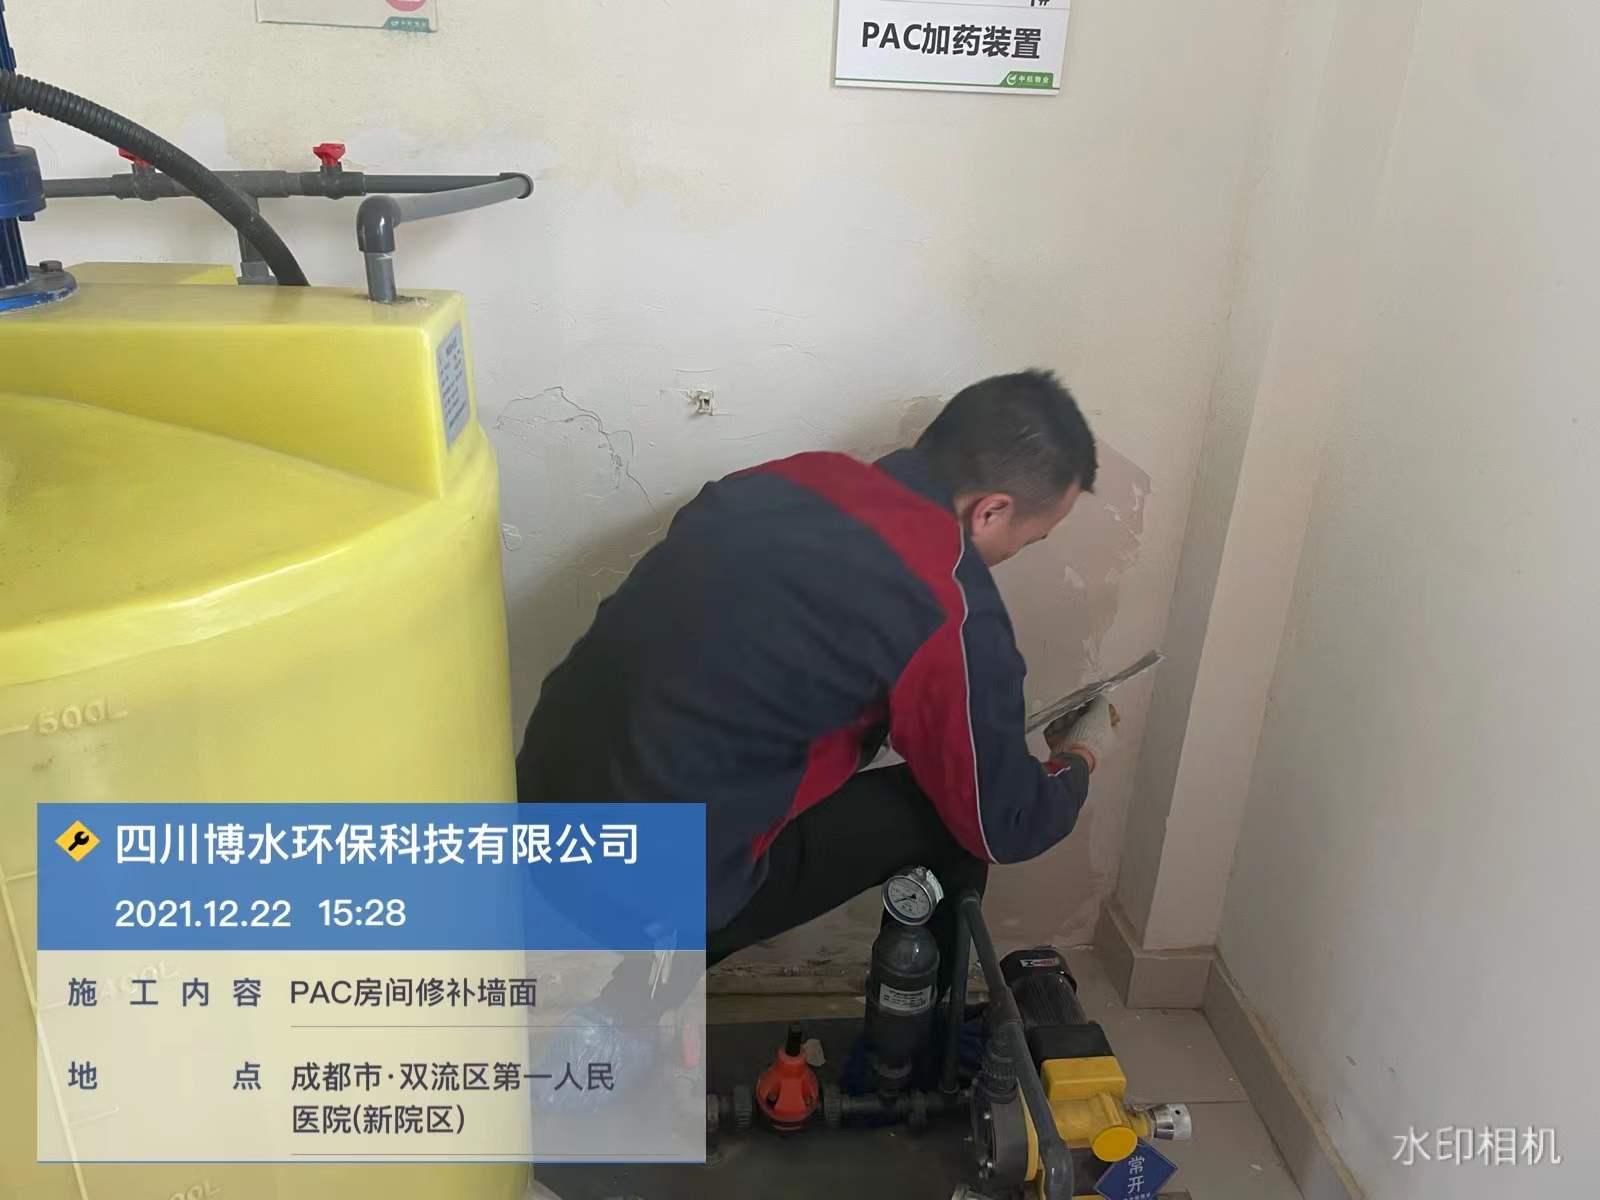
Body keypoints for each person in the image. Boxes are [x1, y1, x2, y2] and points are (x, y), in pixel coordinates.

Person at [516, 369, 1119, 995]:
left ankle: (645, 977)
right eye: (1029, 540)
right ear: (991, 510)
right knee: (951, 819)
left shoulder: (781, 480)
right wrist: (1080, 754)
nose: (1014, 555)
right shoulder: (946, 602)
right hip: (642, 889)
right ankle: (908, 1025)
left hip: (536, 810)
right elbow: (1006, 823)